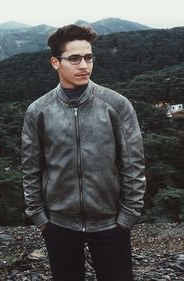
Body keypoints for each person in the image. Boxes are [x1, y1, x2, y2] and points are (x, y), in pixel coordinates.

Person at [21, 24, 146, 281]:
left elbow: (133, 165)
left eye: (88, 57)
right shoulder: (39, 110)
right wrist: (39, 216)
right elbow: (32, 167)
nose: (84, 65)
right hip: (59, 224)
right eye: (74, 58)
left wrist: (128, 216)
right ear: (56, 62)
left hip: (111, 222)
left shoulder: (116, 105)